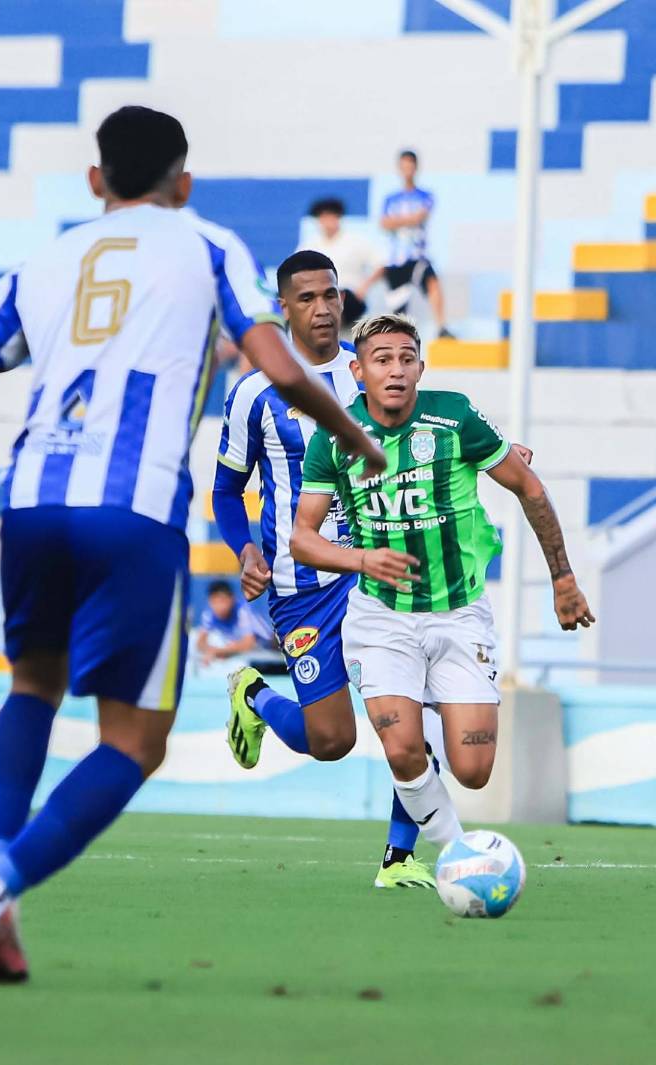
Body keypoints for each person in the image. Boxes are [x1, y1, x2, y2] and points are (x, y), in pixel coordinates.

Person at [0, 107, 383, 986]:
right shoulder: (208, 245)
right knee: (135, 742)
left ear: (95, 180)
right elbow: (277, 365)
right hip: (134, 509)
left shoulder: (41, 261)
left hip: (30, 503)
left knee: (32, 687)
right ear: (183, 184)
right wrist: (354, 433)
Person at [291, 313, 595, 852]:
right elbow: (302, 539)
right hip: (381, 618)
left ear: (421, 368)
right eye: (382, 360)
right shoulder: (335, 438)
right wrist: (363, 559)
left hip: (459, 612)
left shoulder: (454, 417)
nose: (396, 370)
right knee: (401, 750)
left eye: (406, 359)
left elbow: (528, 487)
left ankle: (428, 722)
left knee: (474, 769)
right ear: (359, 372)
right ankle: (458, 853)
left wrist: (563, 577)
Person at [213, 249, 438, 888]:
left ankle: (399, 857)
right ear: (284, 307)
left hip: (379, 572)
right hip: (300, 585)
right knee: (331, 740)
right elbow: (227, 490)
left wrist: (495, 451)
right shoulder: (253, 392)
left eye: (331, 294)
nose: (322, 308)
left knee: (411, 718)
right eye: (307, 297)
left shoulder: (369, 372)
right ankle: (253, 694)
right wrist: (246, 552)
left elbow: (432, 434)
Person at [380, 150, 452, 338]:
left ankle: (441, 326)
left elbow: (419, 217)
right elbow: (384, 223)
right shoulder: (391, 198)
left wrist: (397, 221)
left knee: (432, 282)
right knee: (398, 309)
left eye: (410, 166)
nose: (407, 170)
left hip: (416, 256)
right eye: (404, 166)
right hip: (396, 260)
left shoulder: (425, 195)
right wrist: (408, 220)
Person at [300, 197, 382, 329]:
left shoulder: (355, 241)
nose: (328, 222)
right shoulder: (311, 244)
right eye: (323, 217)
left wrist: (363, 288)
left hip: (351, 298)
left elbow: (380, 264)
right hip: (321, 298)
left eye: (331, 216)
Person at [195, 579, 274, 667]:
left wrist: (218, 651)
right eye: (215, 602)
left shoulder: (242, 610)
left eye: (223, 601)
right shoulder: (209, 614)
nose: (220, 607)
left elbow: (248, 643)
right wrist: (211, 650)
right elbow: (200, 643)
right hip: (253, 655)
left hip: (272, 645)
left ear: (232, 599)